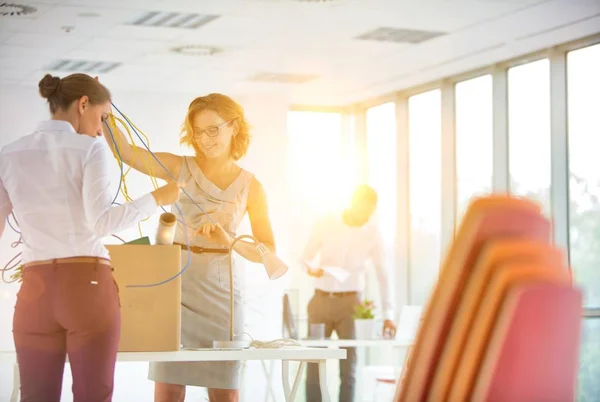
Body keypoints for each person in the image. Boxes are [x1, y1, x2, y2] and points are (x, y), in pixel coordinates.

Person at [0, 73, 180, 402]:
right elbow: (102, 223)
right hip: (86, 287)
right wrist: (157, 197)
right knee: (93, 395)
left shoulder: (8, 153)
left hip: (34, 292)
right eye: (101, 118)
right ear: (83, 104)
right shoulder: (89, 149)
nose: (100, 130)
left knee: (35, 397)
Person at [102, 93, 276, 402]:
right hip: (177, 288)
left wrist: (230, 240)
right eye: (198, 131)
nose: (205, 139)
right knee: (168, 388)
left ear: (234, 127)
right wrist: (105, 113)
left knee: (224, 391)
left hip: (222, 295)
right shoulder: (180, 167)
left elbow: (268, 253)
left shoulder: (252, 186)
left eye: (213, 130)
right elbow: (126, 153)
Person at [303, 184, 397, 402]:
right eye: (361, 209)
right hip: (321, 300)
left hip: (351, 305)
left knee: (349, 370)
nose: (364, 215)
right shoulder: (326, 223)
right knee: (313, 367)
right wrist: (310, 267)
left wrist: (388, 316)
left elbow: (384, 275)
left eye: (369, 212)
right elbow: (306, 255)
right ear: (352, 202)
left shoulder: (372, 234)